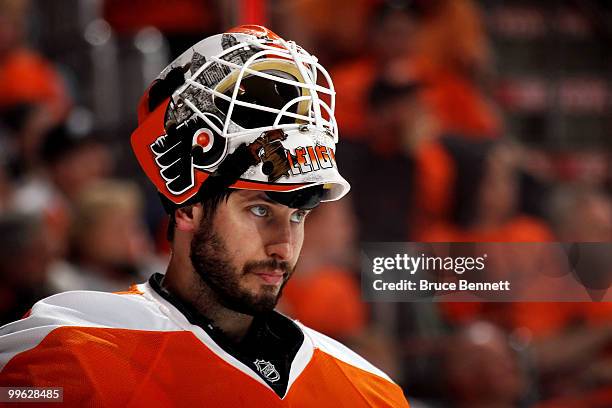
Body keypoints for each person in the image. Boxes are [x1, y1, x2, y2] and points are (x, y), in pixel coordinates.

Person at [0, 25, 409, 407]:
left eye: (299, 215)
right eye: (260, 209)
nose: (284, 244)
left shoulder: (366, 391)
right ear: (187, 207)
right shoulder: (68, 354)